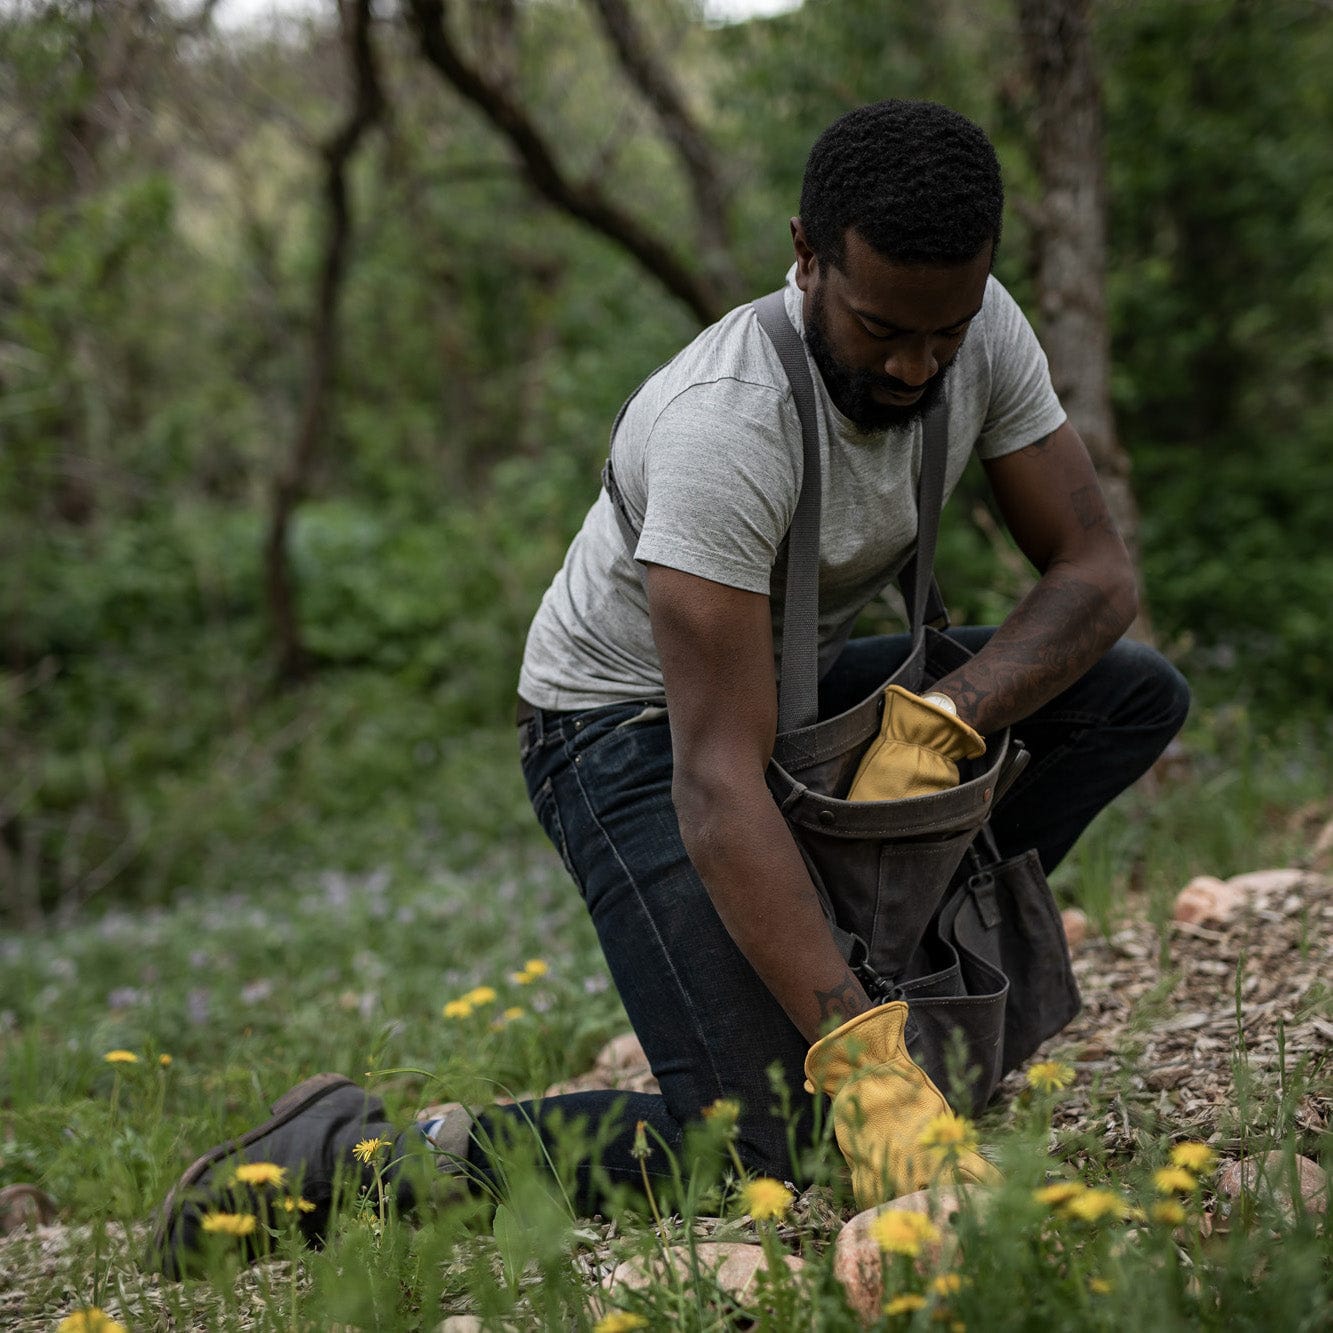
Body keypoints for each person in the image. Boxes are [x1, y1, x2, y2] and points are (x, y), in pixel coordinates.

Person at [150, 98, 1189, 1276]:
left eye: (943, 333)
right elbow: (716, 779)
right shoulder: (724, 427)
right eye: (880, 329)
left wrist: (948, 719)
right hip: (623, 731)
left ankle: (883, 989)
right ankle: (360, 1158)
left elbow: (1095, 571)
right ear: (807, 254)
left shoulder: (979, 327)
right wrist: (856, 1062)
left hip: (788, 693)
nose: (915, 366)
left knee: (1124, 696)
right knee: (769, 1143)